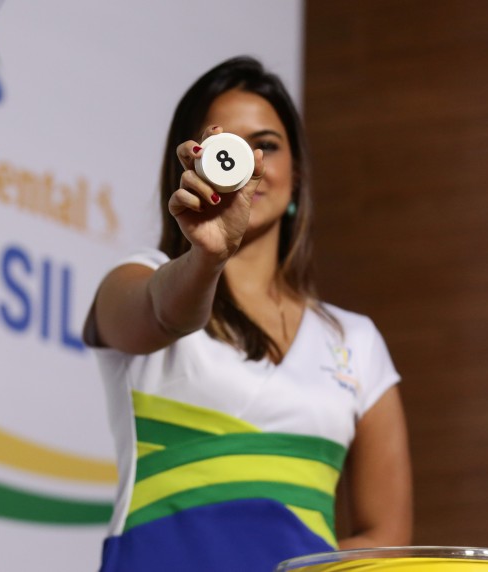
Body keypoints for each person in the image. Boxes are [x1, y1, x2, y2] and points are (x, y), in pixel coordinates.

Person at [82, 56, 412, 572]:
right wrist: (207, 257)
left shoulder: (357, 340)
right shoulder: (142, 277)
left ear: (297, 172)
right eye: (225, 145)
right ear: (192, 165)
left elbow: (386, 537)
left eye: (267, 145)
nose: (249, 162)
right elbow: (161, 313)